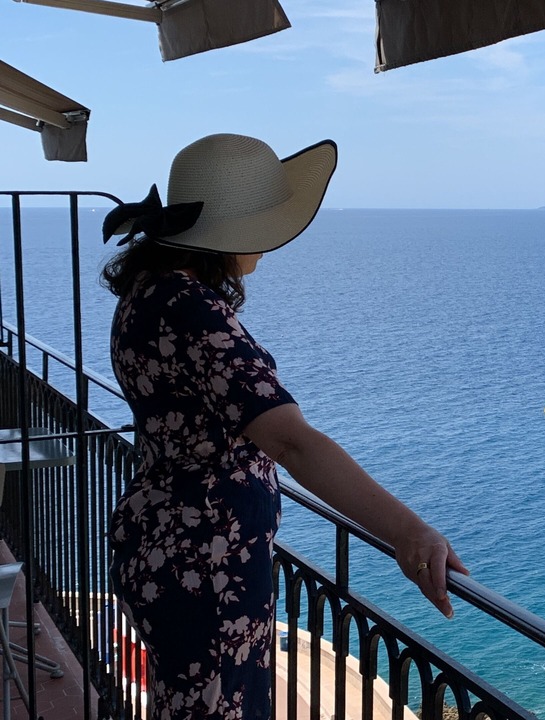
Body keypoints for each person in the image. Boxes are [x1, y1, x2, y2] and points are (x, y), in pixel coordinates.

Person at [100, 133, 468, 720]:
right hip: (207, 567)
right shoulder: (193, 309)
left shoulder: (147, 294)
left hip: (163, 544)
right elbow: (292, 440)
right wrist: (407, 532)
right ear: (228, 231)